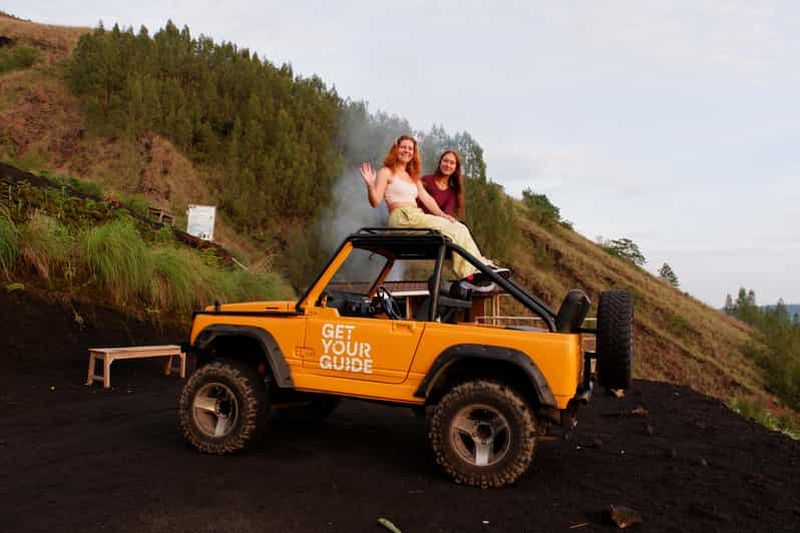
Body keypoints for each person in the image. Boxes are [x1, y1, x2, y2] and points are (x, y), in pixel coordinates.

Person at [360, 135, 497, 291]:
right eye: (403, 147)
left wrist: (442, 215)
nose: (407, 151)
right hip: (401, 216)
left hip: (415, 215)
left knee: (459, 228)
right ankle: (470, 273)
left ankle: (479, 267)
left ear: (414, 153)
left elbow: (426, 198)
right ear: (396, 148)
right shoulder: (386, 172)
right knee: (456, 229)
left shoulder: (412, 176)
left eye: (410, 148)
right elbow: (375, 201)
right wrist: (370, 186)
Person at [418, 150, 464, 219]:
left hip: (436, 224)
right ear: (440, 163)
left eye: (452, 163)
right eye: (445, 161)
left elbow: (446, 215)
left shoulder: (452, 193)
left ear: (455, 168)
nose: (448, 165)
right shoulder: (425, 180)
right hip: (418, 220)